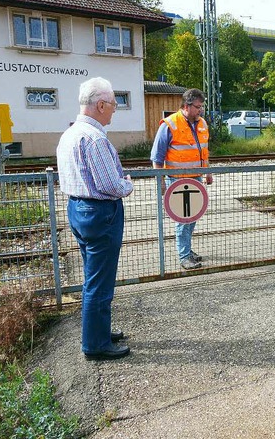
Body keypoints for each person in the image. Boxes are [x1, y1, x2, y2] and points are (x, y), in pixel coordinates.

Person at [56, 77, 134, 361]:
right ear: (101, 105)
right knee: (99, 282)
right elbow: (110, 185)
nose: (114, 109)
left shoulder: (70, 134)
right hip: (100, 214)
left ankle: (98, 331)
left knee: (94, 277)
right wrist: (128, 184)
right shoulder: (95, 138)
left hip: (78, 210)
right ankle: (96, 344)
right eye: (113, 104)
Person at [151, 88, 213, 270]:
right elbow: (157, 156)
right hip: (176, 179)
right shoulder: (170, 124)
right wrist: (160, 181)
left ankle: (187, 250)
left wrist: (207, 171)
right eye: (197, 107)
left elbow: (204, 150)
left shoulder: (201, 123)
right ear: (186, 106)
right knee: (183, 219)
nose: (200, 110)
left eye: (201, 107)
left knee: (192, 216)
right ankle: (184, 256)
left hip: (196, 178)